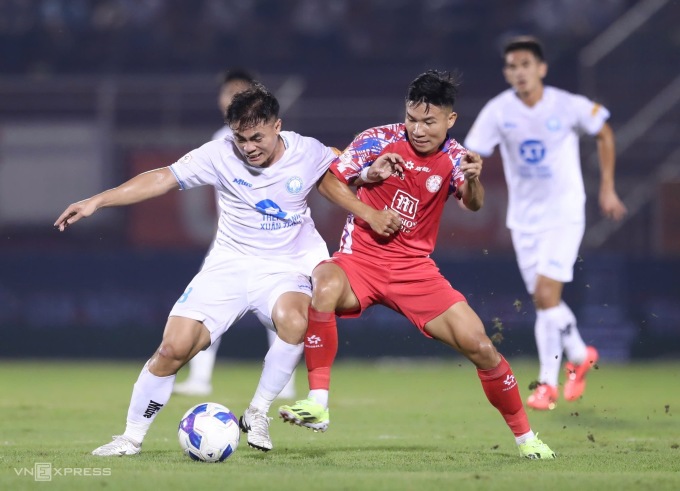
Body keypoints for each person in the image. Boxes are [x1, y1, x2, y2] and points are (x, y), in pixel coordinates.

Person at [279, 70, 556, 459]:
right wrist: (367, 197)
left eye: (429, 121)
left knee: (481, 346)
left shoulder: (456, 157)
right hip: (361, 260)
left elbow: (472, 203)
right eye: (412, 118)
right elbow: (328, 181)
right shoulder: (377, 140)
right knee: (323, 283)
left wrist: (475, 181)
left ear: (450, 120)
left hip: (414, 270)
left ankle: (528, 439)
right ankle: (318, 402)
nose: (419, 129)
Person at [54, 83, 337, 453]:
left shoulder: (308, 151)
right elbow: (162, 178)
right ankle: (130, 438)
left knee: (295, 321)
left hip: (285, 266)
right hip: (229, 264)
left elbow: (349, 165)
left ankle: (257, 413)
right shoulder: (219, 154)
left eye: (256, 137)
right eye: (240, 138)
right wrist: (97, 201)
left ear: (277, 125)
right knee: (173, 348)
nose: (248, 147)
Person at [463, 36, 627, 410]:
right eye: (511, 66)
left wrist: (607, 188)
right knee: (544, 303)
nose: (518, 72)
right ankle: (573, 361)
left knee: (546, 295)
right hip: (523, 220)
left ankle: (554, 377)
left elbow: (604, 130)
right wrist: (467, 172)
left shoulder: (566, 105)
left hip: (565, 213)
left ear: (541, 68)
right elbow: (473, 153)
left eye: (525, 64)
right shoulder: (499, 111)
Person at [173, 68, 297, 400]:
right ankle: (200, 377)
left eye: (239, 92)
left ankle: (283, 381)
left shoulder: (275, 141)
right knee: (205, 307)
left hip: (274, 239)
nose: (231, 99)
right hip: (231, 240)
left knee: (279, 311)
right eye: (228, 93)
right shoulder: (220, 140)